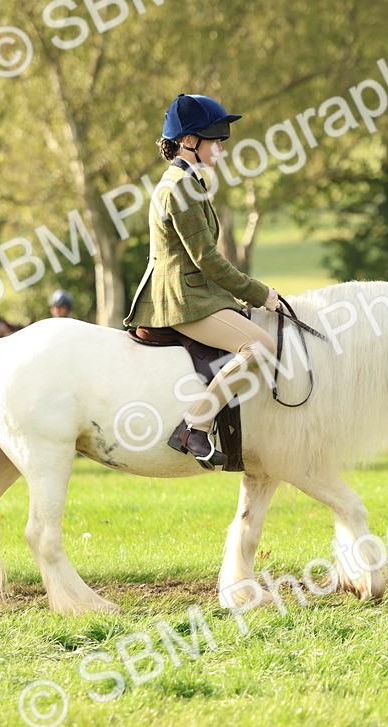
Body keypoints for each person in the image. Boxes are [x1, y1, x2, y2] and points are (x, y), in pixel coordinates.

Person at [123, 94, 281, 466]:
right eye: (216, 140)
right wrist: (261, 294)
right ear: (189, 141)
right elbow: (207, 260)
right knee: (259, 348)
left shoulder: (186, 182)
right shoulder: (181, 187)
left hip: (194, 293)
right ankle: (196, 425)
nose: (222, 149)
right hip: (182, 298)